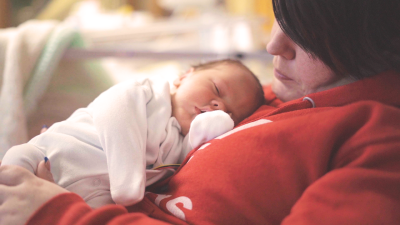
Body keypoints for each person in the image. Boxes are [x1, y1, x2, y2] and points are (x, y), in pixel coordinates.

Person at [1, 0, 400, 224]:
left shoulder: (378, 148)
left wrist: (58, 214)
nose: (274, 45)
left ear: (377, 46)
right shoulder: (279, 93)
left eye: (310, 38)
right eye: (282, 19)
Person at [0, 59, 265, 208]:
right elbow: (115, 113)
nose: (218, 105)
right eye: (216, 89)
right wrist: (127, 183)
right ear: (184, 76)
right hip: (53, 154)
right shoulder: (146, 94)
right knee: (15, 164)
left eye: (229, 113)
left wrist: (203, 134)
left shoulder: (184, 148)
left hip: (91, 196)